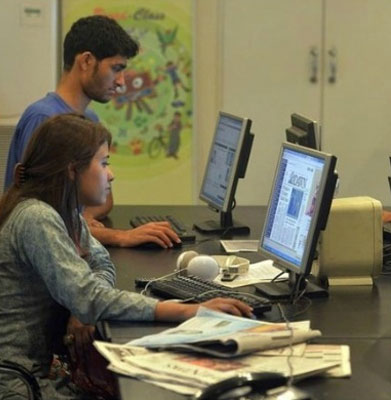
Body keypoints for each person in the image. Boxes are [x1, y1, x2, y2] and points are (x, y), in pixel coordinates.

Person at [0, 114, 253, 398]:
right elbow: (90, 298)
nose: (111, 174)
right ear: (72, 170)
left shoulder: (65, 212)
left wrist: (79, 302)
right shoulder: (37, 218)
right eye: (103, 163)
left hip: (33, 376)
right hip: (18, 384)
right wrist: (189, 310)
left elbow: (99, 266)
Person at [4, 15, 179, 249]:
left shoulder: (90, 120)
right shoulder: (45, 119)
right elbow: (41, 223)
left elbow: (104, 200)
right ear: (86, 61)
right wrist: (121, 236)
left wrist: (82, 216)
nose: (121, 82)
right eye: (115, 69)